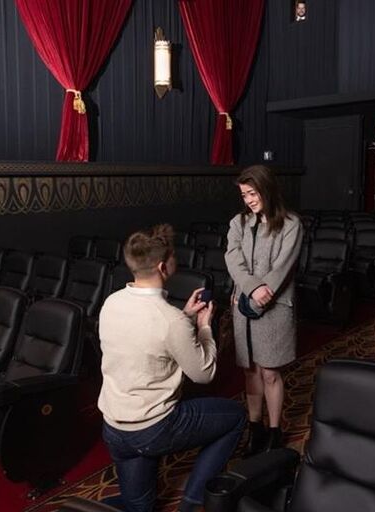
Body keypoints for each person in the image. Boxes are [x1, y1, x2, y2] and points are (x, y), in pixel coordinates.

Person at [98, 224, 246, 512]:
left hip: (114, 429)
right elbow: (204, 374)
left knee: (141, 508)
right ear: (164, 266)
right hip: (154, 429)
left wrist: (185, 316)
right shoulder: (170, 321)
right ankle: (191, 503)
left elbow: (146, 337)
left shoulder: (111, 302)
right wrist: (203, 327)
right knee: (235, 417)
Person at [225, 165, 303, 455]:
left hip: (275, 308)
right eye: (244, 195)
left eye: (252, 193)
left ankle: (274, 430)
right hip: (243, 306)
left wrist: (263, 292)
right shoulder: (239, 223)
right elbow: (233, 260)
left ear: (266, 189)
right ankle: (255, 428)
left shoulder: (291, 223)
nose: (248, 200)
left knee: (270, 372)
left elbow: (283, 265)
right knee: (250, 372)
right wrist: (251, 289)